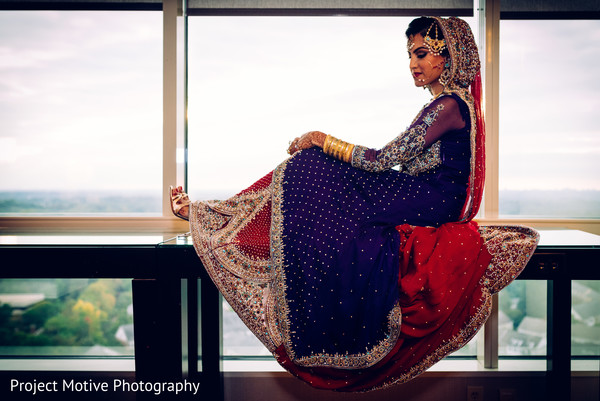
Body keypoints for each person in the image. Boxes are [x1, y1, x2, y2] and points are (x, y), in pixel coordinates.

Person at [169, 16, 538, 392]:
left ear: (449, 57)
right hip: (425, 195)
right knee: (315, 173)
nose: (413, 63)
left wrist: (323, 140)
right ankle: (217, 214)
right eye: (410, 54)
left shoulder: (447, 107)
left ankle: (214, 215)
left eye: (422, 53)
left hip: (432, 202)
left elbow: (382, 160)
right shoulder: (451, 106)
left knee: (314, 168)